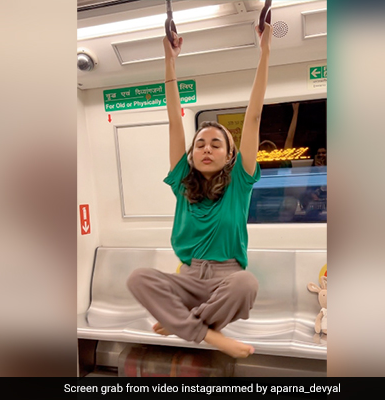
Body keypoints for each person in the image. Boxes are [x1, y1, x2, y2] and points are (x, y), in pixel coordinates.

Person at [126, 23, 272, 359]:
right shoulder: (182, 182)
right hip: (189, 278)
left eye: (216, 144)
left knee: (247, 283)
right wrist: (170, 61)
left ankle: (183, 324)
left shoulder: (239, 183)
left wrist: (265, 52)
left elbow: (253, 117)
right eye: (200, 143)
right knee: (138, 278)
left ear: (230, 156)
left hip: (226, 281)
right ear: (191, 154)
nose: (207, 148)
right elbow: (173, 121)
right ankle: (208, 334)